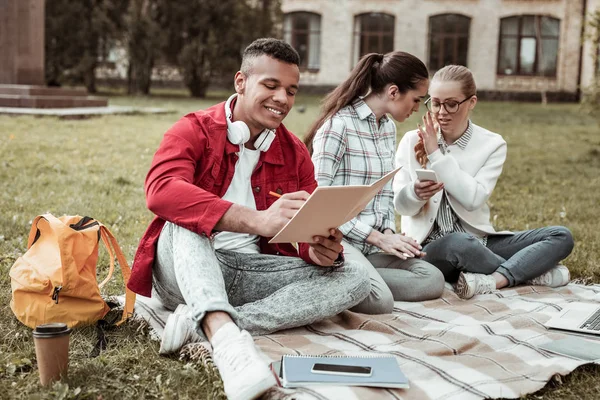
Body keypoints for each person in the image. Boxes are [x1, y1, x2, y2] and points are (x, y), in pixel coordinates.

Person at [127, 38, 371, 400]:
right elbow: (161, 190)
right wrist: (256, 220)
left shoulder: (295, 151)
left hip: (250, 271)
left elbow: (305, 225)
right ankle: (228, 345)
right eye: (271, 86)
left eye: (291, 90)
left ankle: (210, 325)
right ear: (241, 82)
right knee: (187, 219)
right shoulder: (192, 129)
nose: (283, 99)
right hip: (183, 268)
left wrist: (317, 249)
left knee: (354, 277)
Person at [393, 64, 574, 300]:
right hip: (430, 249)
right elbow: (400, 206)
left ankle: (496, 279)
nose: (441, 112)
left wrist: (436, 154)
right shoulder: (410, 141)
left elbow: (473, 199)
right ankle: (529, 273)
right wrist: (415, 194)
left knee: (561, 236)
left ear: (472, 102)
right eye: (435, 103)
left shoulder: (492, 144)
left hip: (481, 243)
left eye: (452, 103)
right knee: (458, 243)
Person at [304, 51, 445, 314]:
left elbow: (383, 192)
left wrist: (390, 234)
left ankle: (356, 280)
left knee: (432, 279)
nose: (417, 108)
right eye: (416, 99)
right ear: (393, 92)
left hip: (373, 245)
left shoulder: (387, 129)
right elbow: (318, 201)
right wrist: (376, 237)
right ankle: (340, 277)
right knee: (380, 301)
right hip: (340, 243)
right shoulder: (338, 126)